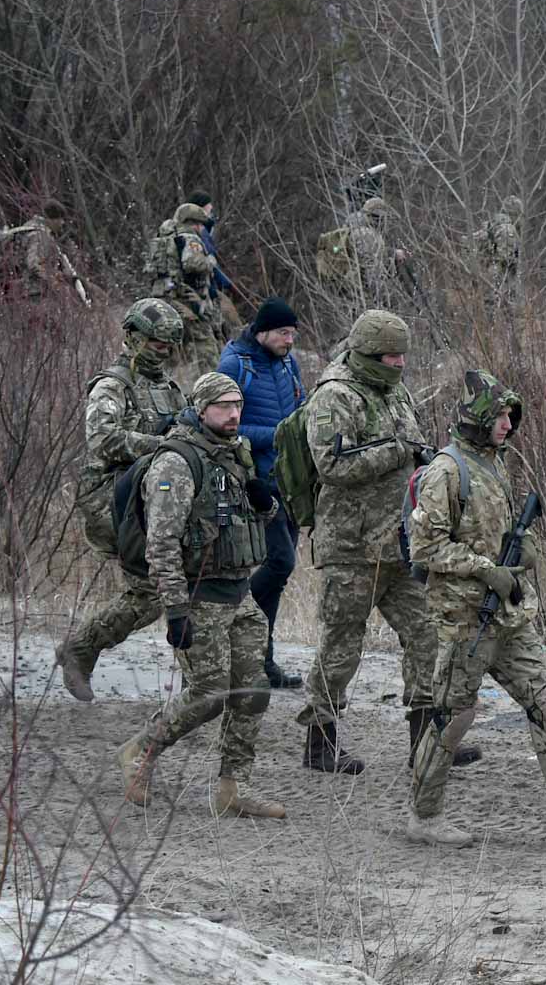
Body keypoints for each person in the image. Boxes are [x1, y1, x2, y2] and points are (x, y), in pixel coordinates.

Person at [404, 370, 546, 848]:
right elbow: (424, 551)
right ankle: (423, 815)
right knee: (454, 716)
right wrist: (486, 569)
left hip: (506, 615)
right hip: (465, 619)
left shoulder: (494, 464)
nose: (509, 424)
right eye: (501, 415)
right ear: (479, 419)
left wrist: (521, 549)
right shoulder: (446, 472)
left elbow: (501, 531)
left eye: (511, 415)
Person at [295, 310, 468, 774]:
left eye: (402, 357)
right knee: (340, 648)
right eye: (391, 357)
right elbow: (333, 466)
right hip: (350, 547)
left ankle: (424, 740)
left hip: (399, 543)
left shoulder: (396, 392)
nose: (399, 365)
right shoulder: (334, 397)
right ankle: (320, 743)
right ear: (368, 354)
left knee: (427, 634)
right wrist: (399, 450)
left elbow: (410, 448)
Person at [112, 372, 285, 820]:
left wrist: (265, 503)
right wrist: (175, 609)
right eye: (224, 406)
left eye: (238, 406)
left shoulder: (235, 455)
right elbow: (162, 543)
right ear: (201, 408)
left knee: (253, 689)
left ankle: (234, 787)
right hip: (198, 594)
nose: (233, 414)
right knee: (209, 692)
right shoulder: (176, 462)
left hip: (238, 591)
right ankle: (140, 751)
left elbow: (248, 521)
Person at [55, 298, 188, 701]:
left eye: (168, 346)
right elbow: (103, 439)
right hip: (113, 500)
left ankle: (205, 682)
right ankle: (81, 648)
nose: (162, 352)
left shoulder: (168, 388)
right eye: (155, 344)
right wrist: (161, 446)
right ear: (133, 338)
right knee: (151, 591)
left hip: (154, 498)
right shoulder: (112, 385)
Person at [218, 297, 307, 690]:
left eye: (293, 333)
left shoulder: (289, 364)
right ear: (263, 332)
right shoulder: (237, 364)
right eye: (284, 333)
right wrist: (274, 436)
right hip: (255, 484)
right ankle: (225, 625)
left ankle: (261, 663)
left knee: (279, 576)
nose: (290, 340)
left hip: (291, 484)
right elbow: (221, 424)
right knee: (280, 564)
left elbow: (300, 412)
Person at [150, 202, 223, 375]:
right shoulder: (189, 237)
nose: (200, 229)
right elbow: (191, 263)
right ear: (194, 223)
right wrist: (210, 261)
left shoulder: (164, 238)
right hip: (186, 301)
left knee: (167, 349)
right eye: (199, 225)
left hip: (164, 300)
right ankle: (213, 387)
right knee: (207, 349)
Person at [0, 199, 88, 306]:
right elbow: (34, 264)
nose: (62, 223)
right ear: (53, 219)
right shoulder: (41, 236)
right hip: (33, 293)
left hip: (9, 291)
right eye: (61, 219)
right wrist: (54, 280)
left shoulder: (22, 231)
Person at [186, 191, 242, 331]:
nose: (211, 208)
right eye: (208, 205)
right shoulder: (199, 232)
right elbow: (210, 263)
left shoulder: (202, 229)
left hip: (206, 285)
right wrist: (228, 285)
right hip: (204, 287)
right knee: (228, 321)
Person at [477, 194, 525, 275]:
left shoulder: (493, 225)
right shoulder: (507, 230)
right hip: (498, 279)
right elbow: (503, 261)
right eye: (520, 215)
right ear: (515, 214)